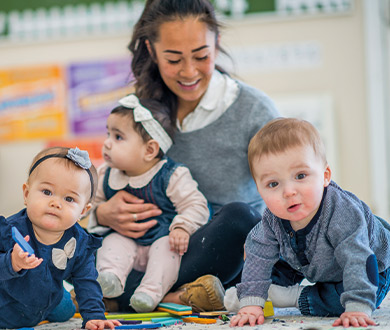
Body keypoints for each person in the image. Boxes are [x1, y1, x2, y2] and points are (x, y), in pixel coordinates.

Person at [87, 0, 280, 311]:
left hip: (214, 249)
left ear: (216, 44)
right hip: (142, 249)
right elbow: (100, 181)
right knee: (77, 244)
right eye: (174, 59)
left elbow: (288, 190)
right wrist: (101, 214)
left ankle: (133, 295)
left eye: (201, 56)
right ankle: (175, 296)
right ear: (151, 51)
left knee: (241, 218)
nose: (189, 72)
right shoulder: (140, 112)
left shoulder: (254, 111)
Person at [228, 118, 390, 328]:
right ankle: (258, 293)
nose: (288, 192)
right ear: (259, 190)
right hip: (311, 257)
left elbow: (358, 258)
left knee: (347, 300)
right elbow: (258, 254)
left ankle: (293, 296)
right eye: (273, 184)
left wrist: (357, 306)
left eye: (300, 175)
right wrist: (250, 303)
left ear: (325, 176)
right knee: (264, 266)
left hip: (371, 262)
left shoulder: (342, 213)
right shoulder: (272, 218)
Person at [0, 147, 120, 330]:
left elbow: (86, 279)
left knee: (66, 312)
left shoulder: (79, 241)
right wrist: (12, 261)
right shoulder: (11, 230)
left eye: (69, 199)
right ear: (27, 194)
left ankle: (55, 301)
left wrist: (94, 315)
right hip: (2, 298)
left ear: (83, 211)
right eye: (47, 192)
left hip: (44, 294)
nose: (55, 203)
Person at [95, 94, 209, 312]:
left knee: (167, 250)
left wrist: (182, 226)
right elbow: (88, 206)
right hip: (127, 242)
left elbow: (196, 205)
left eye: (118, 137)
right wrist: (100, 212)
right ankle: (110, 278)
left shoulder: (172, 175)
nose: (107, 143)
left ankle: (149, 293)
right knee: (112, 243)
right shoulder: (106, 175)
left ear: (149, 150)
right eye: (108, 133)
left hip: (162, 238)